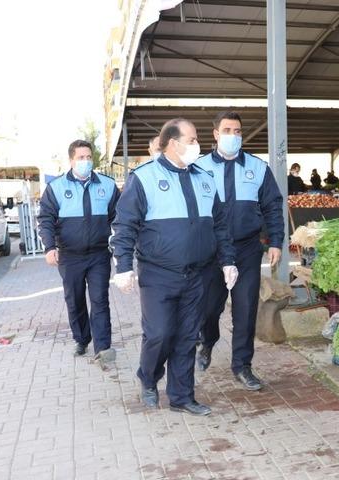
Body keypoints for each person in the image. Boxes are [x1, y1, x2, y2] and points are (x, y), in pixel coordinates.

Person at [110, 118, 237, 416]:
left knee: (186, 336)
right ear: (172, 143)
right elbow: (125, 225)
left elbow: (219, 225)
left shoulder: (204, 178)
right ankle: (149, 378)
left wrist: (228, 260)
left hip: (197, 273)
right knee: (160, 333)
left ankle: (181, 396)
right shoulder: (143, 178)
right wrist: (124, 266)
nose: (197, 146)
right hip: (158, 275)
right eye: (191, 140)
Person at [195, 111, 285, 391]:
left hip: (246, 249)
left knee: (245, 309)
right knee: (208, 309)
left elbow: (272, 205)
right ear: (215, 134)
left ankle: (242, 366)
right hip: (211, 251)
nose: (233, 135)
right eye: (227, 130)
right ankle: (208, 341)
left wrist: (275, 242)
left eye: (237, 131)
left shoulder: (257, 168)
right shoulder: (198, 167)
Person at [38, 140, 119, 364]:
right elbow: (45, 219)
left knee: (100, 300)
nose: (85, 162)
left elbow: (119, 218)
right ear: (71, 160)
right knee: (74, 300)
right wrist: (49, 247)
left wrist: (119, 245)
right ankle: (82, 339)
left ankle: (103, 347)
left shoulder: (108, 186)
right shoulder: (56, 188)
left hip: (98, 255)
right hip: (69, 256)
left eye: (88, 157)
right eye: (80, 158)